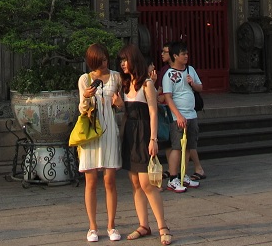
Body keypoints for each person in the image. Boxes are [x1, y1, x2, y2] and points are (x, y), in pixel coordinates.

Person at [118, 43, 173, 245]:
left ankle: (163, 227)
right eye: (121, 61)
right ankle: (143, 225)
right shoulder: (125, 83)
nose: (123, 64)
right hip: (129, 134)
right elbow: (126, 110)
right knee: (135, 183)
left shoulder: (146, 83)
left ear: (134, 60)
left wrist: (153, 139)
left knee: (147, 183)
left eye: (125, 60)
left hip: (143, 133)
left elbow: (153, 112)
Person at [78, 44, 124, 242]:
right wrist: (86, 97)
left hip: (110, 130)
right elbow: (82, 109)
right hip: (91, 132)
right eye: (100, 61)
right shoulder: (85, 79)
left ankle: (111, 225)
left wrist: (120, 104)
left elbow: (122, 103)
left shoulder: (116, 77)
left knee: (109, 180)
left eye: (105, 59)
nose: (104, 63)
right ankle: (92, 227)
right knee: (91, 181)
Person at [161, 41, 203, 192]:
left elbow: (200, 87)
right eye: (183, 54)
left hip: (192, 114)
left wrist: (192, 84)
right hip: (177, 116)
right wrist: (178, 116)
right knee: (177, 147)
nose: (186, 56)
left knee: (189, 147)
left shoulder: (190, 70)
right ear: (175, 56)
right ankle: (173, 178)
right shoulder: (169, 75)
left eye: (186, 53)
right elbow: (168, 97)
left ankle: (183, 174)